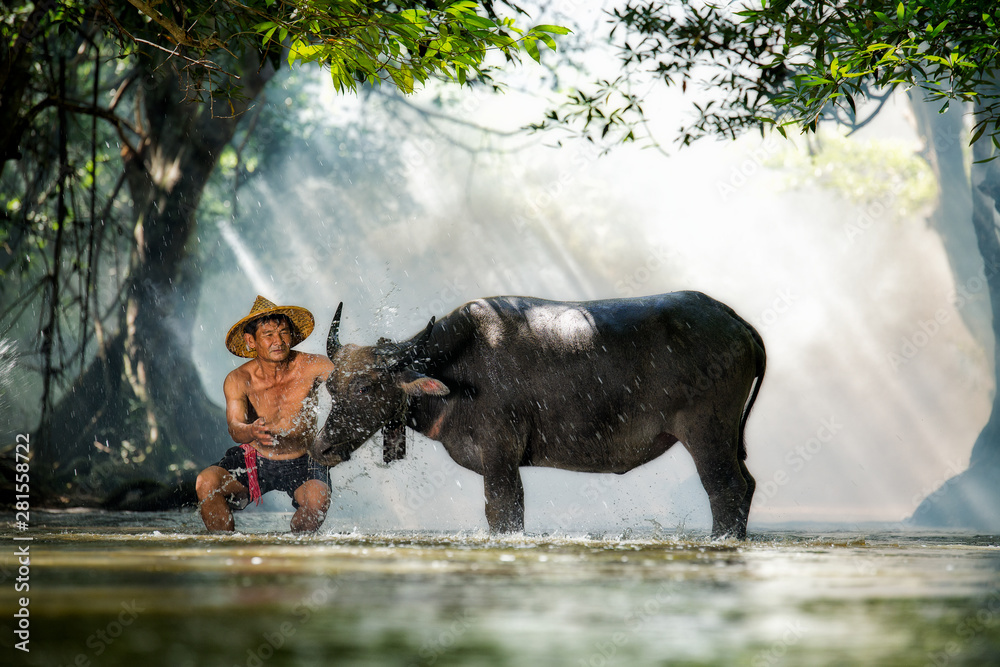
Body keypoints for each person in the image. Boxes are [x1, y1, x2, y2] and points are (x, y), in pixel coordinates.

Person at [196, 295, 336, 533]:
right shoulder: (239, 379)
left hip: (304, 457)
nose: (278, 341)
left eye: (283, 332)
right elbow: (234, 427)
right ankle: (227, 548)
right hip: (255, 458)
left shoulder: (314, 366)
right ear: (251, 341)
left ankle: (295, 556)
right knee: (207, 481)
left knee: (317, 501)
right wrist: (251, 430)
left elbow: (351, 384)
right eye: (268, 335)